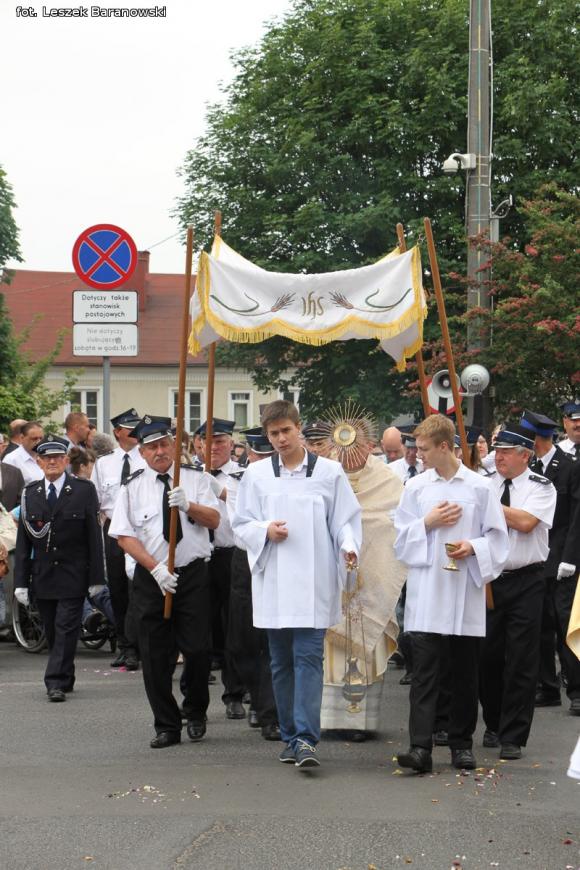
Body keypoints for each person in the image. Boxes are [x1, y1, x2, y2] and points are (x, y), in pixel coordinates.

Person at [232, 400, 361, 770]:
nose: (281, 439)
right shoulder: (256, 476)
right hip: (274, 580)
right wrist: (264, 530)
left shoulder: (329, 473)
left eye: (286, 431)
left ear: (298, 428)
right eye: (273, 434)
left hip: (314, 580)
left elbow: (345, 520)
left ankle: (306, 738)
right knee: (280, 662)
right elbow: (241, 525)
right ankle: (289, 734)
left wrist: (349, 547)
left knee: (308, 658)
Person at [394, 414, 509, 774]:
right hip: (428, 592)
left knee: (464, 673)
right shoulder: (416, 488)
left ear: (445, 446)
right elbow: (399, 538)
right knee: (425, 674)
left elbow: (498, 537)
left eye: (425, 449)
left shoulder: (479, 486)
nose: (419, 455)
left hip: (463, 590)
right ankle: (420, 747)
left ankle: (461, 744)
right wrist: (427, 524)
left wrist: (473, 547)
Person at [109, 415, 220, 748]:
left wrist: (190, 505)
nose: (159, 452)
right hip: (152, 577)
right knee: (155, 657)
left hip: (193, 575)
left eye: (163, 444)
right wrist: (156, 568)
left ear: (173, 446)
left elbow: (215, 518)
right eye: (152, 447)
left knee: (199, 651)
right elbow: (124, 536)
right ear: (141, 453)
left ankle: (196, 710)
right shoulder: (132, 486)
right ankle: (166, 724)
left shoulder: (196, 479)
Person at [320, 415, 406, 739]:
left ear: (370, 446)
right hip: (331, 575)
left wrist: (369, 530)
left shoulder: (387, 480)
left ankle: (359, 722)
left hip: (372, 572)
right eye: (342, 446)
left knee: (365, 646)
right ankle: (329, 720)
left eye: (356, 445)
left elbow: (397, 523)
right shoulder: (324, 475)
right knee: (329, 649)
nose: (348, 454)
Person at [479, 423, 557, 760]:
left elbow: (526, 522)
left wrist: (487, 507)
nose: (500, 458)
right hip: (490, 578)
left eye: (507, 453)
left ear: (525, 455)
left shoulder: (542, 486)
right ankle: (494, 723)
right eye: (497, 452)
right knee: (488, 657)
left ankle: (513, 735)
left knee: (522, 660)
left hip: (527, 579)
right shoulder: (484, 484)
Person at [13, 436, 104, 701]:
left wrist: (97, 577)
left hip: (74, 573)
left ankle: (54, 682)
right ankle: (66, 674)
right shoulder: (30, 493)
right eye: (46, 458)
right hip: (43, 576)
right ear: (39, 462)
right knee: (53, 630)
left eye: (57, 457)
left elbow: (93, 537)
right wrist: (21, 581)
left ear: (66, 460)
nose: (52, 462)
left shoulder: (83, 490)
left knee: (66, 627)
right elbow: (23, 543)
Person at [519, 410, 580, 715]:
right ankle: (547, 686)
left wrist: (570, 558)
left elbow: (576, 519)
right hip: (537, 558)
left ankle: (578, 690)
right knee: (540, 626)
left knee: (566, 625)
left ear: (535, 440)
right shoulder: (528, 468)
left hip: (562, 558)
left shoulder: (569, 468)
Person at [225, 426, 280, 740]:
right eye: (257, 454)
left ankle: (269, 709)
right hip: (244, 559)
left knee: (272, 639)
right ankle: (256, 695)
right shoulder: (238, 482)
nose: (261, 461)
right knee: (244, 640)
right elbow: (239, 523)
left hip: (276, 558)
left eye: (266, 454)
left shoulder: (284, 480)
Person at [199, 417, 247, 719]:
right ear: (198, 444)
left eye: (220, 442)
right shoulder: (189, 474)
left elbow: (247, 512)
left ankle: (234, 693)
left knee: (234, 627)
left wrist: (222, 492)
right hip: (201, 557)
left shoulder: (243, 476)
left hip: (230, 556)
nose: (214, 447)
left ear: (231, 445)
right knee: (200, 628)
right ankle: (197, 699)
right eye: (208, 442)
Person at [91, 409, 146, 670]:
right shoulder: (104, 463)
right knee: (118, 588)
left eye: (137, 427)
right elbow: (96, 500)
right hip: (114, 530)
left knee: (141, 588)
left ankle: (142, 643)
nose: (135, 433)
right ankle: (126, 645)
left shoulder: (146, 457)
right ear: (117, 432)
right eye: (129, 428)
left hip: (141, 529)